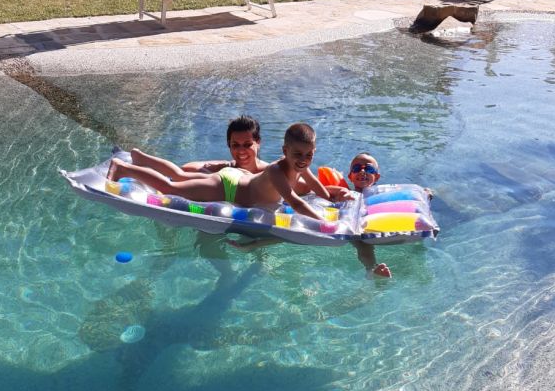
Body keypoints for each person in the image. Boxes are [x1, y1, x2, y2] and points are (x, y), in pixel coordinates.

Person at [107, 122, 336, 220]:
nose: (304, 160)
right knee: (170, 187)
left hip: (240, 178)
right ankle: (123, 167)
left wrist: (332, 201)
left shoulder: (300, 165)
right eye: (298, 154)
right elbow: (295, 202)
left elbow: (316, 187)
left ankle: (139, 158)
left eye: (309, 155)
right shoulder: (277, 170)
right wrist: (328, 225)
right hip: (229, 187)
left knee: (179, 176)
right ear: (285, 151)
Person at [124, 115, 267, 181]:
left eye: (247, 145)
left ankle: (141, 160)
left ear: (258, 142)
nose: (241, 150)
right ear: (228, 144)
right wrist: (208, 173)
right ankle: (140, 161)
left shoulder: (270, 172)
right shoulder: (227, 168)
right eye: (235, 145)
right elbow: (185, 169)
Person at [327, 153, 392, 278]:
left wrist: (427, 193)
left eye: (368, 169)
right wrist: (338, 191)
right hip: (352, 227)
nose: (362, 172)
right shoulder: (346, 193)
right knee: (363, 244)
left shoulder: (382, 195)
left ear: (377, 177)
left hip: (374, 224)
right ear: (350, 177)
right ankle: (372, 270)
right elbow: (319, 190)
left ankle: (372, 271)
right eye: (357, 169)